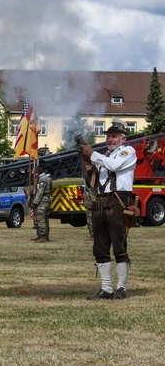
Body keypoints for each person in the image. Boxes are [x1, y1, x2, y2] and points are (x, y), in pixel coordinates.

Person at [80, 123, 137, 300]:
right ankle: (106, 288)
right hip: (102, 200)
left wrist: (92, 155)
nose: (110, 139)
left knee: (119, 246)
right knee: (100, 246)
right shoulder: (104, 156)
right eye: (109, 136)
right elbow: (94, 182)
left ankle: (121, 288)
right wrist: (89, 169)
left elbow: (115, 166)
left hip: (118, 200)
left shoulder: (129, 151)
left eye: (114, 135)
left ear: (123, 139)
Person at [29, 161, 53, 243]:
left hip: (43, 201)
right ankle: (41, 235)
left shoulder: (43, 178)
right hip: (43, 200)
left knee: (41, 218)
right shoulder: (40, 178)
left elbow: (40, 192)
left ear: (42, 169)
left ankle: (43, 236)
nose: (36, 169)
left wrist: (34, 203)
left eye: (38, 167)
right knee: (42, 218)